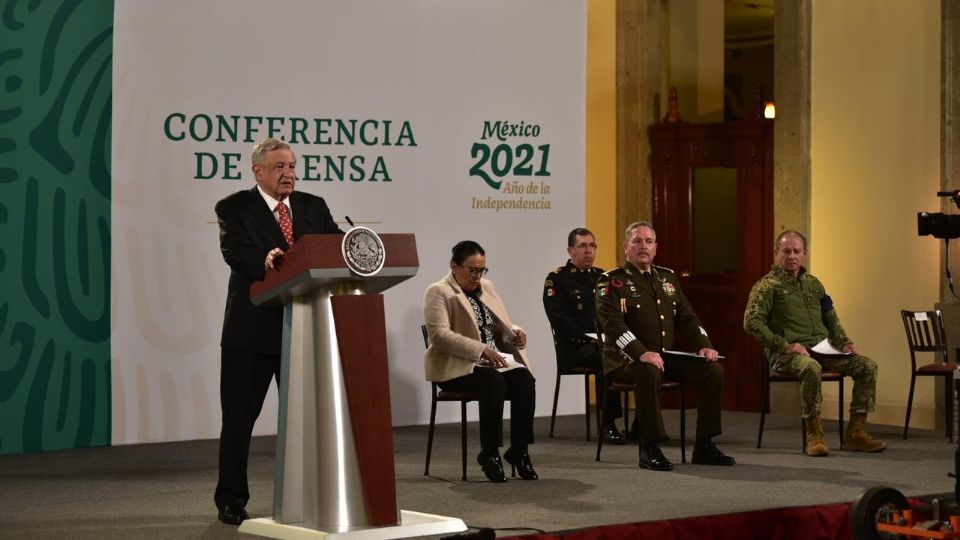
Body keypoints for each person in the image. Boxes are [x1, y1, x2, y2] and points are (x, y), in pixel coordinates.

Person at [213, 138, 343, 525]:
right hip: (251, 332)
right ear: (258, 171)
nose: (289, 174)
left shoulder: (312, 206)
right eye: (279, 167)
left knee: (308, 420)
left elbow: (334, 246)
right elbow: (235, 252)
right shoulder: (234, 207)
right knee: (239, 420)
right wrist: (265, 260)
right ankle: (231, 499)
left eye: (292, 166)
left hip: (304, 330)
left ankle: (313, 494)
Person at [595, 221, 734, 471]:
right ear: (626, 247)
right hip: (625, 360)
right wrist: (641, 353)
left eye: (648, 242)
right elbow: (613, 327)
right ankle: (649, 448)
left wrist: (704, 345)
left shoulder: (667, 278)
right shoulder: (611, 282)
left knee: (713, 371)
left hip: (664, 357)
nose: (643, 246)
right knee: (648, 370)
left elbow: (687, 317)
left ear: (656, 247)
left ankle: (704, 445)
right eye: (637, 241)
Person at [743, 230, 885, 457]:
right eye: (786, 251)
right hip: (787, 354)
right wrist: (784, 345)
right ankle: (814, 434)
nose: (791, 256)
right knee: (811, 368)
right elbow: (751, 323)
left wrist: (844, 342)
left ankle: (855, 433)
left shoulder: (814, 284)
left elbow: (830, 316)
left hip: (821, 348)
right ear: (776, 253)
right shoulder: (767, 286)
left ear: (805, 254)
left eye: (796, 251)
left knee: (866, 366)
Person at [422, 241, 538, 483]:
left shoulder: (487, 286)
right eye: (472, 270)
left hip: (490, 361)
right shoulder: (438, 291)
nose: (477, 276)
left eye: (482, 270)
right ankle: (490, 452)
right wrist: (480, 350)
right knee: (493, 381)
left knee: (524, 379)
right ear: (454, 266)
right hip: (455, 367)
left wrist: (514, 333)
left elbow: (497, 325)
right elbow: (439, 336)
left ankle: (519, 450)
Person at [543, 228, 624, 444]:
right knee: (607, 359)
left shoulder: (602, 277)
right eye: (582, 246)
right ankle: (607, 424)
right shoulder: (557, 280)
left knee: (637, 355)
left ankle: (641, 423)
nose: (589, 251)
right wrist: (591, 338)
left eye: (592, 246)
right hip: (574, 348)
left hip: (603, 345)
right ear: (570, 250)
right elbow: (560, 320)